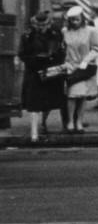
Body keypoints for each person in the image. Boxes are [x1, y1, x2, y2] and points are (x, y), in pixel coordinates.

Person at [18, 11, 67, 140]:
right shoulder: (28, 35)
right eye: (39, 26)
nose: (42, 28)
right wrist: (35, 60)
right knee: (34, 103)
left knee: (49, 101)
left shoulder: (56, 33)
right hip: (34, 72)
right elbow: (22, 54)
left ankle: (44, 123)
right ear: (35, 24)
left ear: (49, 24)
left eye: (44, 26)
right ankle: (34, 132)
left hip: (51, 71)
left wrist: (54, 60)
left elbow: (62, 50)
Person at [61, 6, 98, 133]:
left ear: (82, 18)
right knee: (72, 95)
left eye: (77, 19)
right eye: (72, 20)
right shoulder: (65, 31)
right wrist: (65, 63)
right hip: (71, 66)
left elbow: (96, 48)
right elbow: (62, 48)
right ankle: (71, 121)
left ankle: (79, 121)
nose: (74, 22)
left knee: (82, 96)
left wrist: (86, 60)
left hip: (85, 67)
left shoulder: (91, 31)